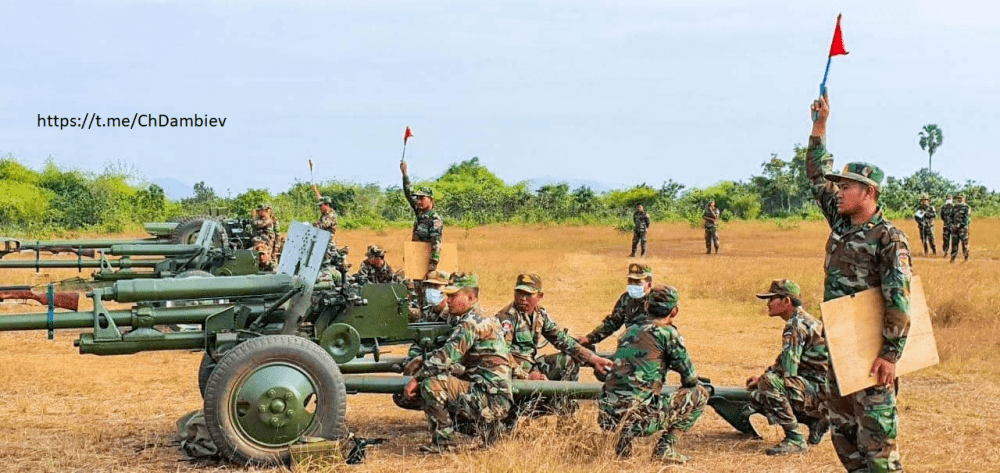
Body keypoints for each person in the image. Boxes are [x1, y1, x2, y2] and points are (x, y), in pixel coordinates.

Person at [808, 92, 910, 472]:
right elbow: (817, 173)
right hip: (839, 343)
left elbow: (898, 299)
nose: (838, 192)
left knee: (877, 442)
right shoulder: (839, 220)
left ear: (867, 192)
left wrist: (890, 354)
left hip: (871, 351)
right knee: (843, 431)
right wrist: (820, 126)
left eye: (846, 187)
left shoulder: (889, 238)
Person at [402, 273, 513, 453]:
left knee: (431, 385)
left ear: (470, 297)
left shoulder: (471, 322)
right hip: (491, 393)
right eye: (448, 295)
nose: (448, 300)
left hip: (490, 399)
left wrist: (416, 378)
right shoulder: (482, 317)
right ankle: (489, 430)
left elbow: (445, 358)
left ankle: (444, 443)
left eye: (453, 296)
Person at [598, 285, 708, 464]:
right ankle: (665, 449)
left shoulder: (630, 331)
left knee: (633, 393)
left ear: (647, 307)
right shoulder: (667, 333)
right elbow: (690, 378)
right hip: (639, 421)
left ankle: (623, 446)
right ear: (674, 311)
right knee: (700, 393)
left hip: (607, 417)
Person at [496, 273, 613, 415]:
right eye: (518, 293)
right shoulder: (506, 318)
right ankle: (536, 405)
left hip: (531, 368)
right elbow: (501, 355)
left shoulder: (540, 314)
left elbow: (563, 340)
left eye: (528, 294)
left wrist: (593, 359)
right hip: (512, 375)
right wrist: (525, 376)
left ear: (540, 296)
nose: (522, 298)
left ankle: (566, 418)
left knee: (569, 359)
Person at [746, 278, 831, 455]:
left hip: (818, 391)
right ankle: (816, 421)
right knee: (763, 385)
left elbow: (788, 370)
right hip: (824, 389)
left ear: (786, 301)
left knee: (766, 387)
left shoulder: (795, 325)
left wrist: (763, 379)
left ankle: (795, 439)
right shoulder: (808, 320)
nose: (768, 304)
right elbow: (788, 360)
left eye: (772, 299)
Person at [577, 263, 653, 348]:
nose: (632, 285)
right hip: (632, 347)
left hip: (654, 347)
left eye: (637, 282)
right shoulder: (626, 299)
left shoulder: (657, 300)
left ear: (649, 284)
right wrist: (590, 338)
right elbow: (613, 322)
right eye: (630, 281)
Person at [400, 160, 444, 272]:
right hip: (416, 256)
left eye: (422, 198)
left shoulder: (434, 219)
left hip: (427, 260)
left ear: (430, 199)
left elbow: (436, 243)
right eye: (418, 198)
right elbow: (409, 193)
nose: (419, 201)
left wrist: (432, 265)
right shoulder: (420, 212)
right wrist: (405, 174)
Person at [313, 196, 338, 266]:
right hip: (322, 241)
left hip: (327, 244)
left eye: (321, 205)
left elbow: (322, 226)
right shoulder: (324, 215)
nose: (320, 207)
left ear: (327, 205)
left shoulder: (330, 215)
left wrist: (312, 225)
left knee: (325, 264)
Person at [949, 194, 971, 262]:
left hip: (963, 229)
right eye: (958, 198)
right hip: (955, 229)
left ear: (964, 199)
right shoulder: (954, 207)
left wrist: (960, 225)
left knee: (964, 244)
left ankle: (966, 258)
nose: (959, 200)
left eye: (961, 198)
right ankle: (953, 259)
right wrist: (952, 225)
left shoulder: (966, 208)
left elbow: (967, 219)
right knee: (954, 244)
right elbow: (951, 217)